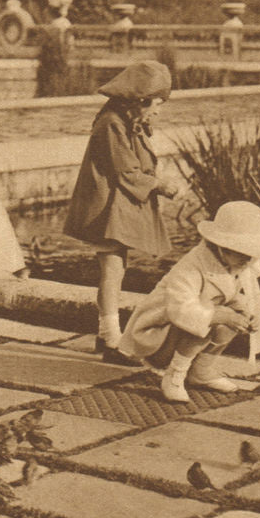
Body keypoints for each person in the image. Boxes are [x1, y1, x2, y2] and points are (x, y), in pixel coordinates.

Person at [63, 60, 178, 360]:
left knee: (115, 268)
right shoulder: (112, 123)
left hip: (116, 207)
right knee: (112, 270)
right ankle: (111, 340)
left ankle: (107, 334)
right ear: (140, 100)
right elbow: (126, 171)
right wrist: (159, 185)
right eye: (156, 104)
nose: (158, 111)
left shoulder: (124, 120)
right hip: (107, 208)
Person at [117, 201, 260, 402]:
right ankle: (174, 375)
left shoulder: (233, 263)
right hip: (158, 335)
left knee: (230, 319)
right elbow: (181, 309)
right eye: (243, 253)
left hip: (182, 327)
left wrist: (244, 313)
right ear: (222, 247)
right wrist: (221, 315)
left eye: (252, 255)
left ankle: (200, 371)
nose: (248, 260)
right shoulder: (191, 266)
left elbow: (228, 294)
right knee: (211, 319)